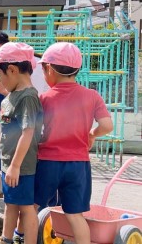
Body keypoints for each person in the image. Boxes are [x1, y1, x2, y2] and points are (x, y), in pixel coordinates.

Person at [34, 42, 113, 244]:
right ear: (77, 70)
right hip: (78, 164)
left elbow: (33, 131)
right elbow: (107, 125)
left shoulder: (44, 98)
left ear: (49, 69)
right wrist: (92, 134)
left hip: (47, 162)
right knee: (76, 215)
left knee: (33, 207)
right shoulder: (92, 96)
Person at [0, 42, 43, 244]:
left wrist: (16, 166)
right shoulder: (10, 98)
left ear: (13, 70)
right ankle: (7, 238)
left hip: (22, 167)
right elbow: (3, 128)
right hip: (8, 165)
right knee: (10, 203)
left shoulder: (28, 97)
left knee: (26, 208)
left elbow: (28, 132)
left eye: (0, 76)